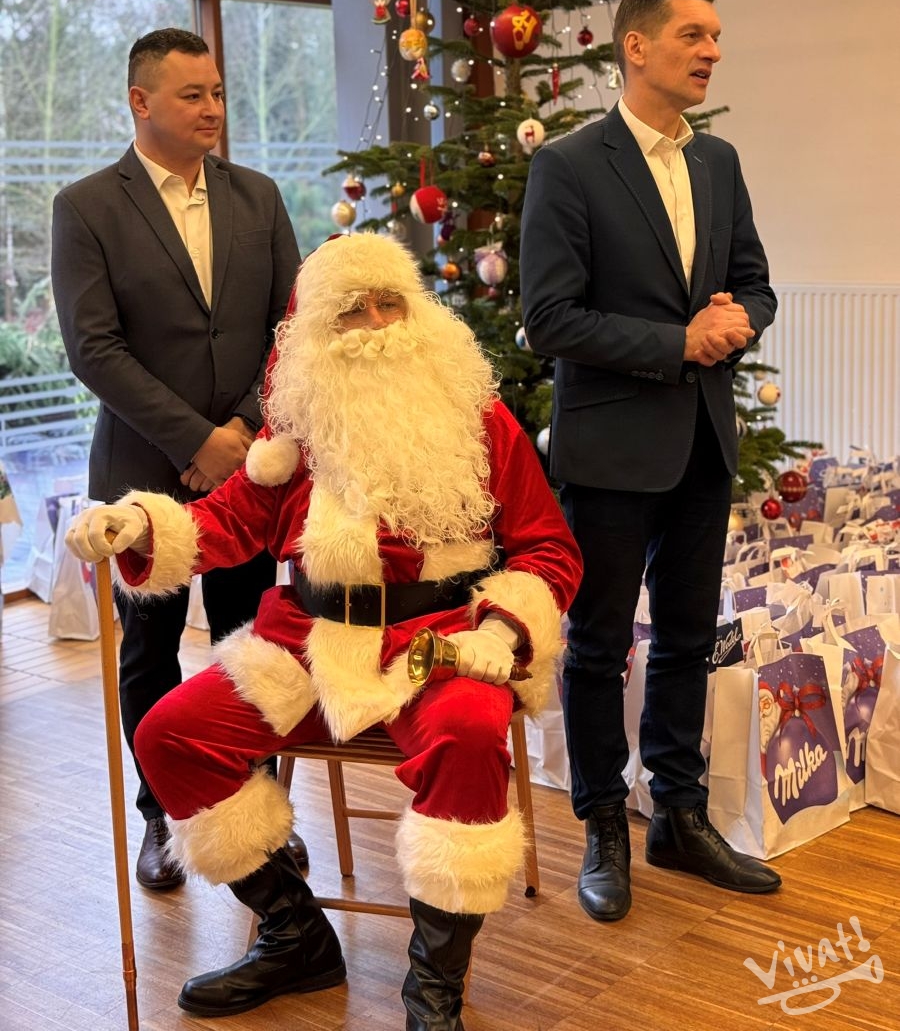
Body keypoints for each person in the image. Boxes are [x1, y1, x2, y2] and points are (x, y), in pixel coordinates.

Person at [64, 231, 583, 1028]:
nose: (375, 323)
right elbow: (226, 521)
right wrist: (136, 525)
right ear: (316, 330)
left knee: (469, 735)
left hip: (440, 645)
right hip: (309, 643)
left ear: (415, 311)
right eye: (351, 310)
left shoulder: (479, 420)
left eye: (389, 303)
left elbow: (549, 548)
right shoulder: (296, 438)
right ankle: (295, 936)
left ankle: (434, 983)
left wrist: (504, 633)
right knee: (170, 735)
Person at [519, 0, 781, 923]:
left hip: (703, 441)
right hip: (610, 449)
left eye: (716, 36)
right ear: (636, 46)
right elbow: (549, 317)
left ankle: (677, 813)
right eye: (693, 35)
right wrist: (677, 342)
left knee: (685, 637)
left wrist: (737, 322)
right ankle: (602, 824)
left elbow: (756, 284)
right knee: (596, 648)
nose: (712, 51)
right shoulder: (570, 165)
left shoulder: (718, 161)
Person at [51, 28, 302, 891]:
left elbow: (291, 329)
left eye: (218, 93)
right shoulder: (87, 207)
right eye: (193, 94)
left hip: (250, 468)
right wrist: (195, 440)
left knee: (250, 646)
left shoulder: (259, 195)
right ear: (140, 101)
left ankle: (258, 814)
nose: (212, 109)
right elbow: (93, 347)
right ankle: (163, 816)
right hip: (141, 474)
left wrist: (239, 431)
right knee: (150, 652)